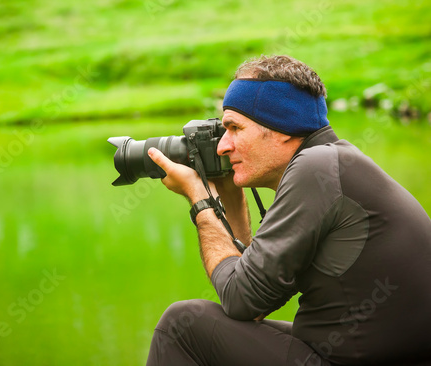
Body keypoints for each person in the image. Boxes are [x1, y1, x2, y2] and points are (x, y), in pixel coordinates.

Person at [145, 55, 431, 366]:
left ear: (282, 128)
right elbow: (252, 302)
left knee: (180, 325)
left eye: (234, 128)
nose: (222, 146)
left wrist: (199, 198)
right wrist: (231, 196)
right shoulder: (334, 166)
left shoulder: (315, 169)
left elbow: (240, 299)